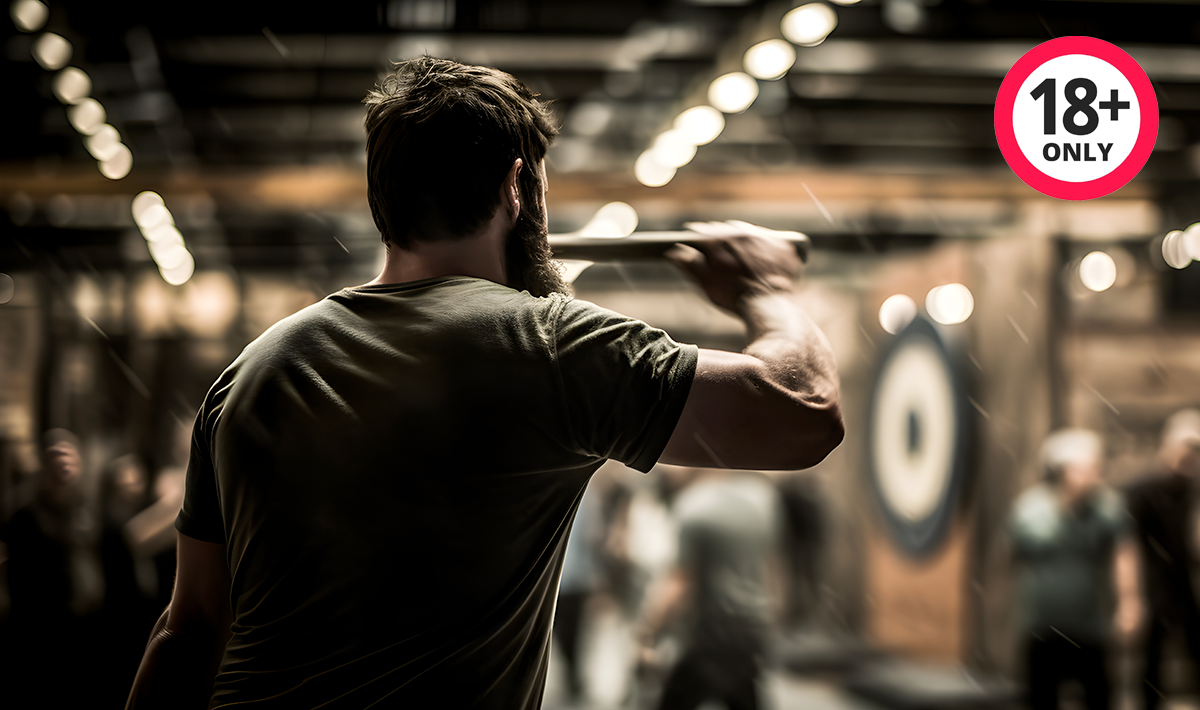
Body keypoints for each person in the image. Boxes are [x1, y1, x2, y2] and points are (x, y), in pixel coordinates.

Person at [126, 56, 843, 709]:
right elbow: (804, 411)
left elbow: (186, 634)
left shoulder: (247, 376)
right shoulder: (552, 348)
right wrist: (764, 290)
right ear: (515, 187)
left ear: (383, 201)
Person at [1008, 429, 1140, 710]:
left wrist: (1130, 601)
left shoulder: (1107, 508)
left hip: (1088, 623)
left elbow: (1123, 555)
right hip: (1041, 622)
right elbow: (1010, 556)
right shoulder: (1030, 508)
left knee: (1098, 693)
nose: (1094, 474)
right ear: (1062, 471)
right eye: (1085, 468)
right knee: (1041, 695)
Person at [635, 466, 785, 710]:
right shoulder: (764, 497)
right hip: (752, 630)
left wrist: (647, 634)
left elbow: (679, 583)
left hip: (708, 635)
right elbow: (773, 566)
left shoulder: (694, 506)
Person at [3, 429, 104, 704]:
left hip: (86, 630)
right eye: (56, 454)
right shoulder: (26, 515)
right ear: (44, 464)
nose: (64, 460)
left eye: (69, 453)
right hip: (43, 635)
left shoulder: (88, 511)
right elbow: (21, 581)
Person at [1123, 409, 1200, 710]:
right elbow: (1127, 545)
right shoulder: (1142, 491)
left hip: (1187, 582)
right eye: (1185, 448)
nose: (1189, 457)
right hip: (1153, 582)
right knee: (1152, 659)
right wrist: (1132, 594)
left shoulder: (1192, 490)